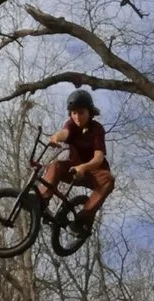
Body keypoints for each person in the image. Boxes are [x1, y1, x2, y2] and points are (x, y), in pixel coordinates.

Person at [40, 89, 115, 233]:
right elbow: (65, 132)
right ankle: (41, 200)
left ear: (89, 113)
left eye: (81, 113)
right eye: (74, 113)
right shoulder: (71, 125)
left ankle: (83, 218)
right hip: (73, 169)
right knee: (55, 165)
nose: (77, 117)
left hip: (94, 172)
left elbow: (98, 157)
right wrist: (56, 137)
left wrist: (84, 167)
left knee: (109, 180)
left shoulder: (97, 129)